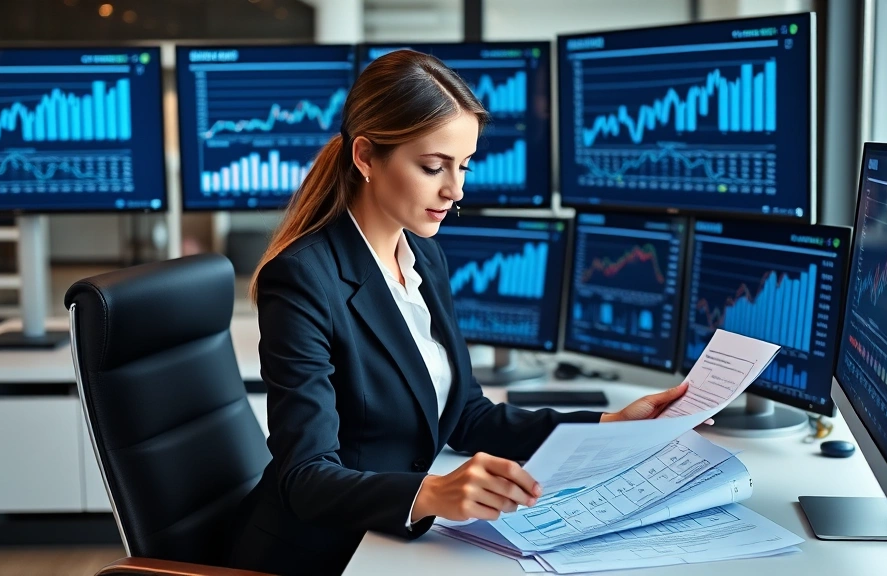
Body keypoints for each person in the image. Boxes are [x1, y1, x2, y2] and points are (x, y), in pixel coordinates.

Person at [226, 50, 691, 576]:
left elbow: (467, 415)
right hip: (319, 554)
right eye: (432, 167)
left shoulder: (424, 256)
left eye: (463, 165)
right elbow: (304, 478)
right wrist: (432, 493)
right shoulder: (304, 277)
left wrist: (608, 425)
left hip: (395, 543)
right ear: (365, 157)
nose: (456, 190)